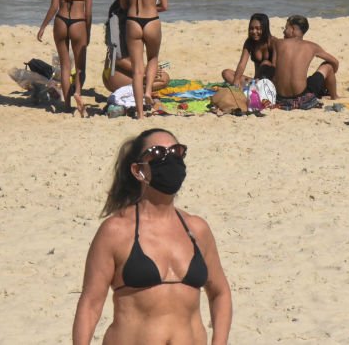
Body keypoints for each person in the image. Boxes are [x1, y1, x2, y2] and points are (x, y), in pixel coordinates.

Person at [73, 128, 232, 345]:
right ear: (138, 171)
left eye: (176, 152)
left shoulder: (197, 229)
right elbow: (91, 303)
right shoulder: (116, 231)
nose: (169, 161)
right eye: (158, 154)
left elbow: (220, 293)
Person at [38, 0, 94, 116]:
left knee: (65, 65)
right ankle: (77, 92)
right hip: (79, 23)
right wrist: (88, 31)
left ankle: (67, 105)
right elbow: (88, 13)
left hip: (61, 21)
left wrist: (43, 27)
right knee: (80, 67)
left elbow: (54, 6)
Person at [119, 0, 168, 119]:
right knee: (153, 58)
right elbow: (164, 5)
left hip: (132, 21)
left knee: (137, 69)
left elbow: (123, 5)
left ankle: (139, 113)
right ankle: (148, 92)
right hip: (151, 21)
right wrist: (150, 8)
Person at [271, 15, 338, 108]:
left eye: (286, 28)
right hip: (302, 98)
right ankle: (334, 96)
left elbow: (274, 67)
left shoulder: (278, 43)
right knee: (328, 66)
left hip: (280, 98)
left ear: (293, 29)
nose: (284, 31)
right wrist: (330, 77)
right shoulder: (312, 46)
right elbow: (335, 62)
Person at [221, 13, 277, 86]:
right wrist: (236, 80)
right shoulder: (250, 42)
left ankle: (253, 89)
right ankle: (243, 89)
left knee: (266, 63)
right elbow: (242, 64)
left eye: (258, 28)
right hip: (255, 81)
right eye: (251, 28)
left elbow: (275, 67)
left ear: (265, 28)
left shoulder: (273, 43)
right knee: (226, 73)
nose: (254, 32)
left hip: (270, 83)